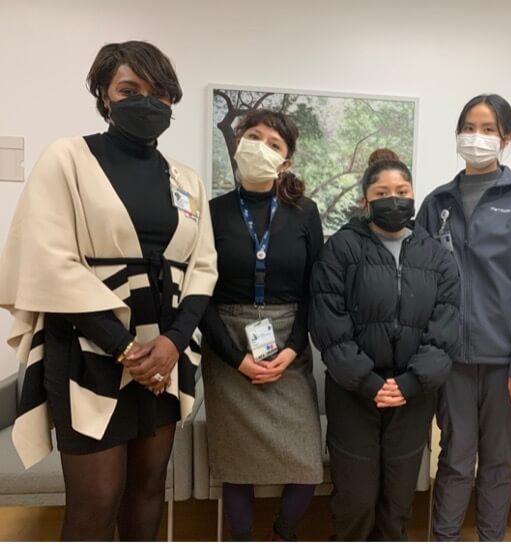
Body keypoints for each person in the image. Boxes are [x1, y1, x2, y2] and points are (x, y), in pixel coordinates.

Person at [0, 41, 217, 540]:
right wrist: (127, 350)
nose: (148, 101)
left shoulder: (185, 180)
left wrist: (171, 345)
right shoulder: (68, 158)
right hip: (87, 352)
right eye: (130, 89)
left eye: (160, 92)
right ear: (103, 94)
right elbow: (49, 262)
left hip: (163, 359)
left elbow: (202, 266)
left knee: (147, 491)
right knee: (95, 502)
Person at [417, 94, 511, 541]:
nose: (476, 138)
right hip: (451, 360)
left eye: (488, 129)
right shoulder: (437, 201)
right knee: (455, 459)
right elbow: (419, 283)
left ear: (506, 138)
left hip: (504, 365)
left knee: (497, 462)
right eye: (469, 127)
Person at [309, 148, 460, 541]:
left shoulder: (437, 256)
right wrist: (368, 383)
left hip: (413, 397)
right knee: (355, 501)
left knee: (397, 504)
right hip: (353, 393)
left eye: (402, 190)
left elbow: (445, 329)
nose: (393, 199)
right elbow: (328, 324)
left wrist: (409, 384)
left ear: (413, 195)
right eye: (381, 193)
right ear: (365, 201)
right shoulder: (341, 249)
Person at [199, 109, 324, 541]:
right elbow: (200, 296)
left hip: (288, 343)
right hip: (226, 346)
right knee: (237, 467)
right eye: (253, 137)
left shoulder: (305, 213)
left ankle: (284, 533)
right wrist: (236, 359)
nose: (261, 147)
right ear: (237, 144)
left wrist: (292, 348)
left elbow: (314, 290)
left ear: (286, 162)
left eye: (274, 144)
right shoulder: (210, 211)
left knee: (307, 464)